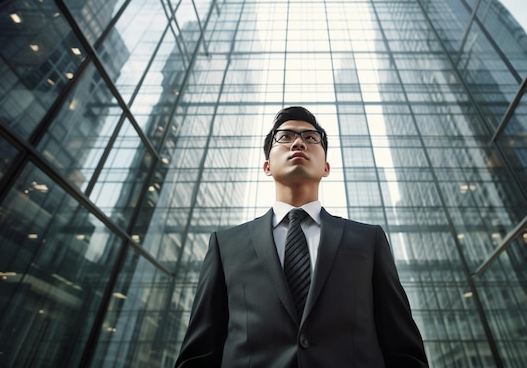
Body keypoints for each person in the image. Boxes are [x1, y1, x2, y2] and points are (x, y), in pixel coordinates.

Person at [174, 106, 428, 368]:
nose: (298, 142)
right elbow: (199, 354)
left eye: (310, 138)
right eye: (284, 137)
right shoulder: (225, 246)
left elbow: (404, 351)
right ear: (267, 166)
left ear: (326, 167)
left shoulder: (368, 240)